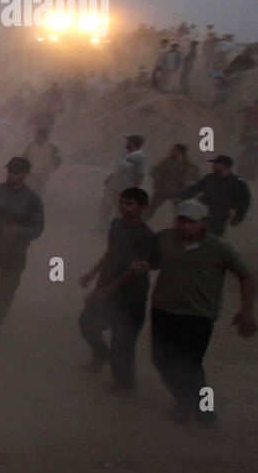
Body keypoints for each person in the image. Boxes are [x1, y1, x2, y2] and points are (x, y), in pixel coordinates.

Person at [140, 200, 256, 424]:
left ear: (204, 223)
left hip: (198, 316)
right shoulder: (164, 238)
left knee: (191, 366)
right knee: (160, 360)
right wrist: (144, 265)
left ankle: (205, 408)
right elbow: (154, 262)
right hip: (164, 310)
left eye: (191, 222)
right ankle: (183, 402)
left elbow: (246, 277)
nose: (185, 226)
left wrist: (247, 310)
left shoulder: (219, 249)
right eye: (181, 220)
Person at [78, 187, 156, 392]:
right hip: (107, 283)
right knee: (87, 323)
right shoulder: (116, 224)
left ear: (142, 207)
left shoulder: (146, 236)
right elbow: (111, 252)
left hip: (131, 295)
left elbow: (135, 269)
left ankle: (124, 383)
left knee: (123, 341)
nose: (123, 206)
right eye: (121, 202)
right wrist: (92, 272)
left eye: (129, 203)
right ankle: (101, 354)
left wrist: (105, 292)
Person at [0, 156, 45, 337]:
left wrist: (19, 231)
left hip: (14, 254)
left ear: (26, 175)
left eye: (16, 172)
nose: (11, 175)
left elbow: (38, 229)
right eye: (10, 171)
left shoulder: (33, 200)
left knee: (5, 294)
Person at [179, 155, 250, 237]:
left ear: (224, 166)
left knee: (212, 238)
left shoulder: (237, 183)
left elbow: (244, 202)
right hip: (202, 212)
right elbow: (196, 188)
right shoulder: (210, 178)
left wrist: (238, 218)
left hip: (219, 216)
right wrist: (182, 196)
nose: (213, 166)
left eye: (216, 164)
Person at [97, 134, 147, 227]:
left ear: (132, 143)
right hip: (113, 185)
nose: (126, 143)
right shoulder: (125, 153)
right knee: (105, 206)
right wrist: (110, 177)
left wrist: (135, 191)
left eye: (127, 141)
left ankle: (116, 229)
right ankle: (102, 226)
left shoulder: (140, 157)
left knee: (120, 210)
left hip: (124, 188)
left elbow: (141, 175)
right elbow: (119, 168)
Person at [146, 144, 199, 222]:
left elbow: (198, 179)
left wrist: (191, 190)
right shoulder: (166, 161)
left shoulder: (189, 165)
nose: (170, 151)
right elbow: (154, 171)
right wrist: (157, 177)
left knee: (181, 214)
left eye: (173, 150)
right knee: (149, 210)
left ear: (179, 152)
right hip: (163, 189)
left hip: (179, 192)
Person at [22, 128, 62, 195]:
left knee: (38, 190)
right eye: (36, 136)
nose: (36, 138)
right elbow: (24, 157)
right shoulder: (31, 146)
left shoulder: (52, 148)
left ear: (44, 137)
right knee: (29, 189)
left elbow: (58, 159)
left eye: (38, 136)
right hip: (32, 172)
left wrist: (51, 168)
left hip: (43, 174)